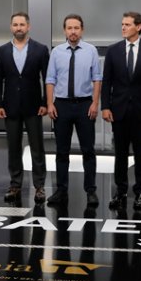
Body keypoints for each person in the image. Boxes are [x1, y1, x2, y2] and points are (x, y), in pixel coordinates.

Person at [101, 11, 141, 210]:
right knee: (119, 154)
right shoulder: (113, 50)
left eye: (127, 24)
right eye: (122, 24)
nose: (123, 28)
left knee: (140, 153)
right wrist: (105, 106)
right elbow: (107, 82)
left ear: (139, 27)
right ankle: (120, 192)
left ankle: (140, 193)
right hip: (118, 110)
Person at [45, 14, 102, 207]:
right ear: (64, 30)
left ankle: (91, 191)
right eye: (69, 28)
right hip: (61, 105)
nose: (73, 31)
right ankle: (61, 190)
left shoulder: (91, 50)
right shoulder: (57, 52)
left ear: (82, 30)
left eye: (76, 28)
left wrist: (95, 103)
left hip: (85, 104)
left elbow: (97, 78)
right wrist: (50, 103)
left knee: (88, 150)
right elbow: (50, 79)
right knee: (61, 151)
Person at [0, 12, 50, 203]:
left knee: (37, 148)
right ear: (11, 27)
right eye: (15, 24)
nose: (19, 28)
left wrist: (45, 103)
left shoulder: (41, 50)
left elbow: (47, 79)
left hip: (34, 107)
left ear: (28, 26)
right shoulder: (2, 51)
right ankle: (15, 185)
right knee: (13, 148)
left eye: (22, 24)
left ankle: (40, 187)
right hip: (10, 107)